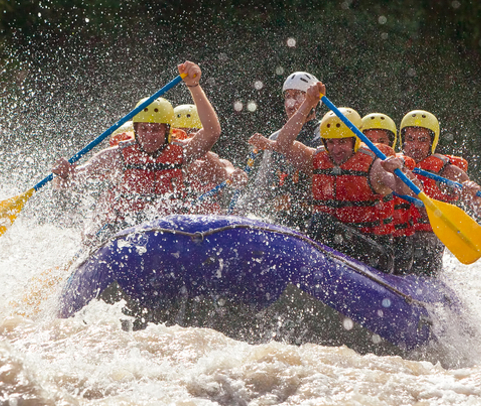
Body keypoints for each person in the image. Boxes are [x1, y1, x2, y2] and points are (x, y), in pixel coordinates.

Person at [249, 85, 418, 273]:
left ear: (354, 139)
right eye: (330, 142)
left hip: (376, 254)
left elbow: (409, 192)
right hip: (337, 246)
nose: (336, 149)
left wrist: (398, 171)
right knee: (299, 219)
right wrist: (308, 103)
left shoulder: (375, 166)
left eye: (342, 142)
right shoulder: (317, 159)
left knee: (320, 223)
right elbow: (283, 144)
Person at [52, 61, 221, 235]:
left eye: (155, 129)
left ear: (168, 131)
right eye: (144, 129)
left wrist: (194, 86)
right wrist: (64, 174)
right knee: (91, 234)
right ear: (135, 129)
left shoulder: (182, 151)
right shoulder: (117, 154)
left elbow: (212, 132)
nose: (149, 135)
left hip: (171, 229)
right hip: (125, 229)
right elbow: (70, 180)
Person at [398, 109, 481, 276]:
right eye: (410, 139)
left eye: (422, 140)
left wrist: (472, 192)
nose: (415, 146)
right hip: (398, 235)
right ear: (402, 141)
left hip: (428, 240)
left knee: (423, 244)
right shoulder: (393, 164)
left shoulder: (447, 171)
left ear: (431, 143)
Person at [236, 71, 322, 229]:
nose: (290, 104)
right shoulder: (275, 137)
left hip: (312, 222)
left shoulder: (323, 132)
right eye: (287, 96)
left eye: (298, 96)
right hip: (280, 221)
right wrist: (240, 213)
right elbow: (262, 188)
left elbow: (310, 160)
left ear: (313, 102)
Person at [362, 112, 417, 274]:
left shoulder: (399, 163)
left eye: (382, 141)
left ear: (391, 144)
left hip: (399, 241)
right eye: (369, 141)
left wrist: (399, 168)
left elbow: (415, 188)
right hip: (369, 237)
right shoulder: (353, 164)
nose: (375, 145)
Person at [172, 104, 248, 213]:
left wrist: (237, 176)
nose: (186, 141)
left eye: (193, 135)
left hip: (209, 222)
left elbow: (227, 173)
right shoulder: (165, 163)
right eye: (180, 135)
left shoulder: (218, 161)